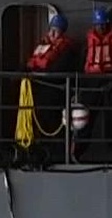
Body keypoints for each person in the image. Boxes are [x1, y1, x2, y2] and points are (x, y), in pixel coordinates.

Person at [21, 13, 78, 163]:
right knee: (41, 120)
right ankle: (40, 150)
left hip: (56, 92)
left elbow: (59, 70)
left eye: (56, 30)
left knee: (56, 124)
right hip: (40, 90)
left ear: (62, 32)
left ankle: (58, 155)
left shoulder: (67, 50)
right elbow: (30, 63)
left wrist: (41, 73)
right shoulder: (43, 46)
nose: (52, 33)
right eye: (51, 29)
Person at [78, 7, 112, 159]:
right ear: (94, 25)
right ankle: (78, 150)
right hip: (92, 81)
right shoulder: (88, 41)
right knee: (86, 116)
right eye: (99, 24)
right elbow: (83, 60)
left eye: (104, 24)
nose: (102, 27)